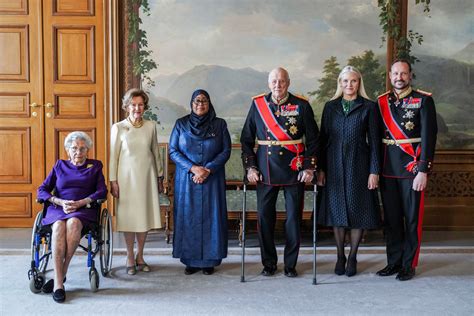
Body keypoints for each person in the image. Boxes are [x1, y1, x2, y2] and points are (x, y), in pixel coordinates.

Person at [240, 67, 320, 277]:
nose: (278, 85)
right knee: (265, 219)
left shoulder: (301, 105)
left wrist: (310, 167)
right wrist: (250, 167)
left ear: (288, 82)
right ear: (269, 83)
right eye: (274, 81)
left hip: (294, 170)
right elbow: (246, 139)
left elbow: (313, 139)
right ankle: (269, 264)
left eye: (282, 81)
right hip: (265, 171)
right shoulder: (258, 104)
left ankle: (291, 265)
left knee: (293, 219)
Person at [376, 59, 438, 281]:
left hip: (412, 170)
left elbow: (429, 138)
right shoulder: (381, 102)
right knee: (392, 220)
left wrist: (423, 170)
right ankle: (393, 262)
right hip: (388, 169)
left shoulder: (423, 101)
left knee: (412, 219)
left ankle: (408, 264)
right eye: (395, 74)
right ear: (390, 75)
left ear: (410, 76)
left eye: (403, 74)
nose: (399, 78)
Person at [317, 66, 381, 277]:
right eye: (345, 81)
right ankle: (340, 255)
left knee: (357, 211)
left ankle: (352, 256)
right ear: (340, 83)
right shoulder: (330, 107)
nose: (349, 85)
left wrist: (374, 171)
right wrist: (321, 169)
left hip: (359, 166)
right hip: (334, 166)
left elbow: (374, 142)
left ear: (359, 83)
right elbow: (323, 140)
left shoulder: (369, 107)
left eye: (353, 81)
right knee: (336, 211)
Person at [37, 131, 107, 303]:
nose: (78, 152)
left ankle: (59, 276)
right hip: (59, 207)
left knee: (74, 224)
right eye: (74, 148)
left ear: (88, 150)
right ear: (68, 150)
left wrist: (81, 202)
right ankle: (59, 283)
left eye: (83, 148)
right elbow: (42, 190)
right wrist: (58, 201)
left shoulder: (95, 166)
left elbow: (101, 191)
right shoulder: (59, 165)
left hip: (83, 208)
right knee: (59, 226)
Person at [170, 89, 231, 275]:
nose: (200, 104)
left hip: (212, 179)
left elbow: (226, 150)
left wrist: (208, 169)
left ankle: (209, 261)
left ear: (209, 103)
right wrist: (194, 168)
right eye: (197, 101)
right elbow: (173, 151)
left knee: (211, 218)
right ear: (191, 103)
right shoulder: (181, 124)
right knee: (188, 217)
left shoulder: (219, 125)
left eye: (204, 101)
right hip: (187, 180)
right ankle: (190, 261)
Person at [109, 88, 164, 275]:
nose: (137, 108)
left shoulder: (151, 126)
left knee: (144, 216)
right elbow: (113, 157)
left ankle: (140, 255)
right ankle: (129, 256)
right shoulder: (118, 127)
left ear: (144, 106)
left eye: (140, 104)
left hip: (147, 178)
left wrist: (160, 176)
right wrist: (113, 181)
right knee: (129, 217)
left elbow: (156, 152)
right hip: (126, 179)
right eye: (133, 104)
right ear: (127, 106)